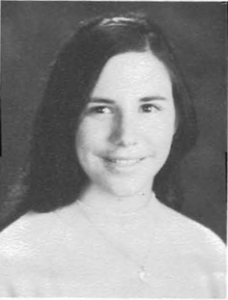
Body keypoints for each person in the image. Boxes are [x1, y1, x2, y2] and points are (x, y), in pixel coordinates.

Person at [0, 13, 226, 298]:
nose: (125, 136)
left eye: (148, 108)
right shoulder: (13, 262)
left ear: (176, 119)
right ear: (67, 118)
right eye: (101, 109)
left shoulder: (209, 257)